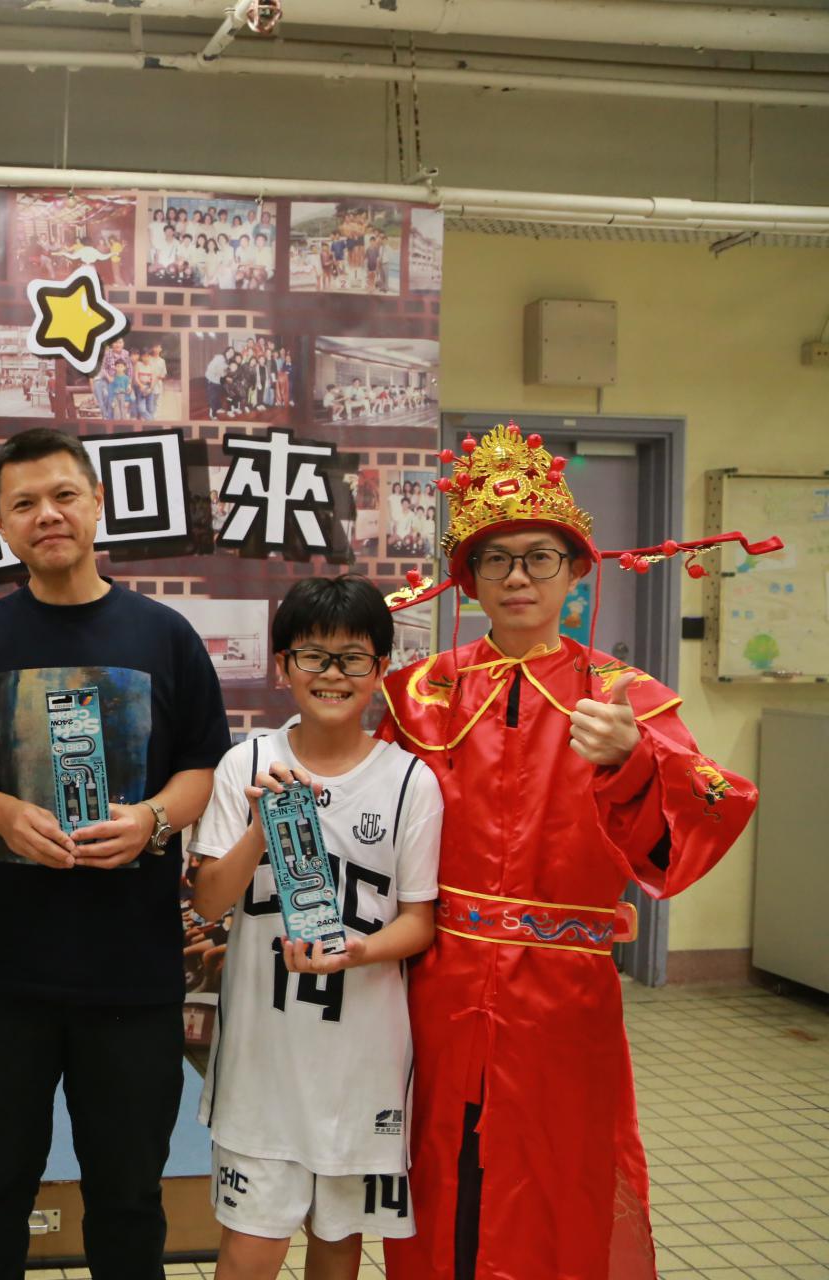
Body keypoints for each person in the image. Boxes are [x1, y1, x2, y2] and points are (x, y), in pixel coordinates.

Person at [376, 424, 759, 1280]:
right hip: (437, 983)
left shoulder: (627, 699)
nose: (518, 577)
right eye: (496, 559)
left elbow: (713, 809)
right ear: (468, 578)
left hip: (563, 996)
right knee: (438, 1172)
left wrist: (635, 762)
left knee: (556, 1176)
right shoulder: (420, 694)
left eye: (540, 557)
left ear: (577, 570)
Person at [0, 428, 232, 1279]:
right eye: (24, 504)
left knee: (129, 1195)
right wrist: (2, 812)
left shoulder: (164, 637)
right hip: (1, 975)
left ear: (96, 503)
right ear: (0, 523)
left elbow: (204, 766)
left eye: (63, 496)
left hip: (132, 975)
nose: (46, 515)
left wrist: (152, 820)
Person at [188, 577, 442, 1280]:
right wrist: (260, 831)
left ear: (381, 669)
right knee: (249, 1250)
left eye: (352, 658)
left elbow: (419, 923)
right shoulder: (245, 763)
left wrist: (359, 951)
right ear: (283, 666)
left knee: (338, 1248)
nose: (332, 675)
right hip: (261, 1065)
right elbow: (209, 902)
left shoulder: (411, 781)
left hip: (362, 1065)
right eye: (313, 656)